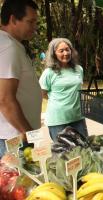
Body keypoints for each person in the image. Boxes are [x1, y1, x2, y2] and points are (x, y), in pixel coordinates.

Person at [0, 0, 41, 158]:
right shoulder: (9, 47)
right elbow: (4, 99)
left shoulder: (10, 44)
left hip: (13, 135)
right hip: (14, 138)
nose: (34, 27)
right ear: (13, 19)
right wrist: (30, 135)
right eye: (30, 22)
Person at [39, 38, 88, 141]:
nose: (65, 53)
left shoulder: (79, 69)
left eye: (67, 49)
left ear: (71, 51)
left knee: (84, 150)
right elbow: (42, 93)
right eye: (61, 51)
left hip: (78, 117)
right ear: (54, 53)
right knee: (63, 154)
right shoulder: (49, 73)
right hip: (58, 120)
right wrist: (58, 101)